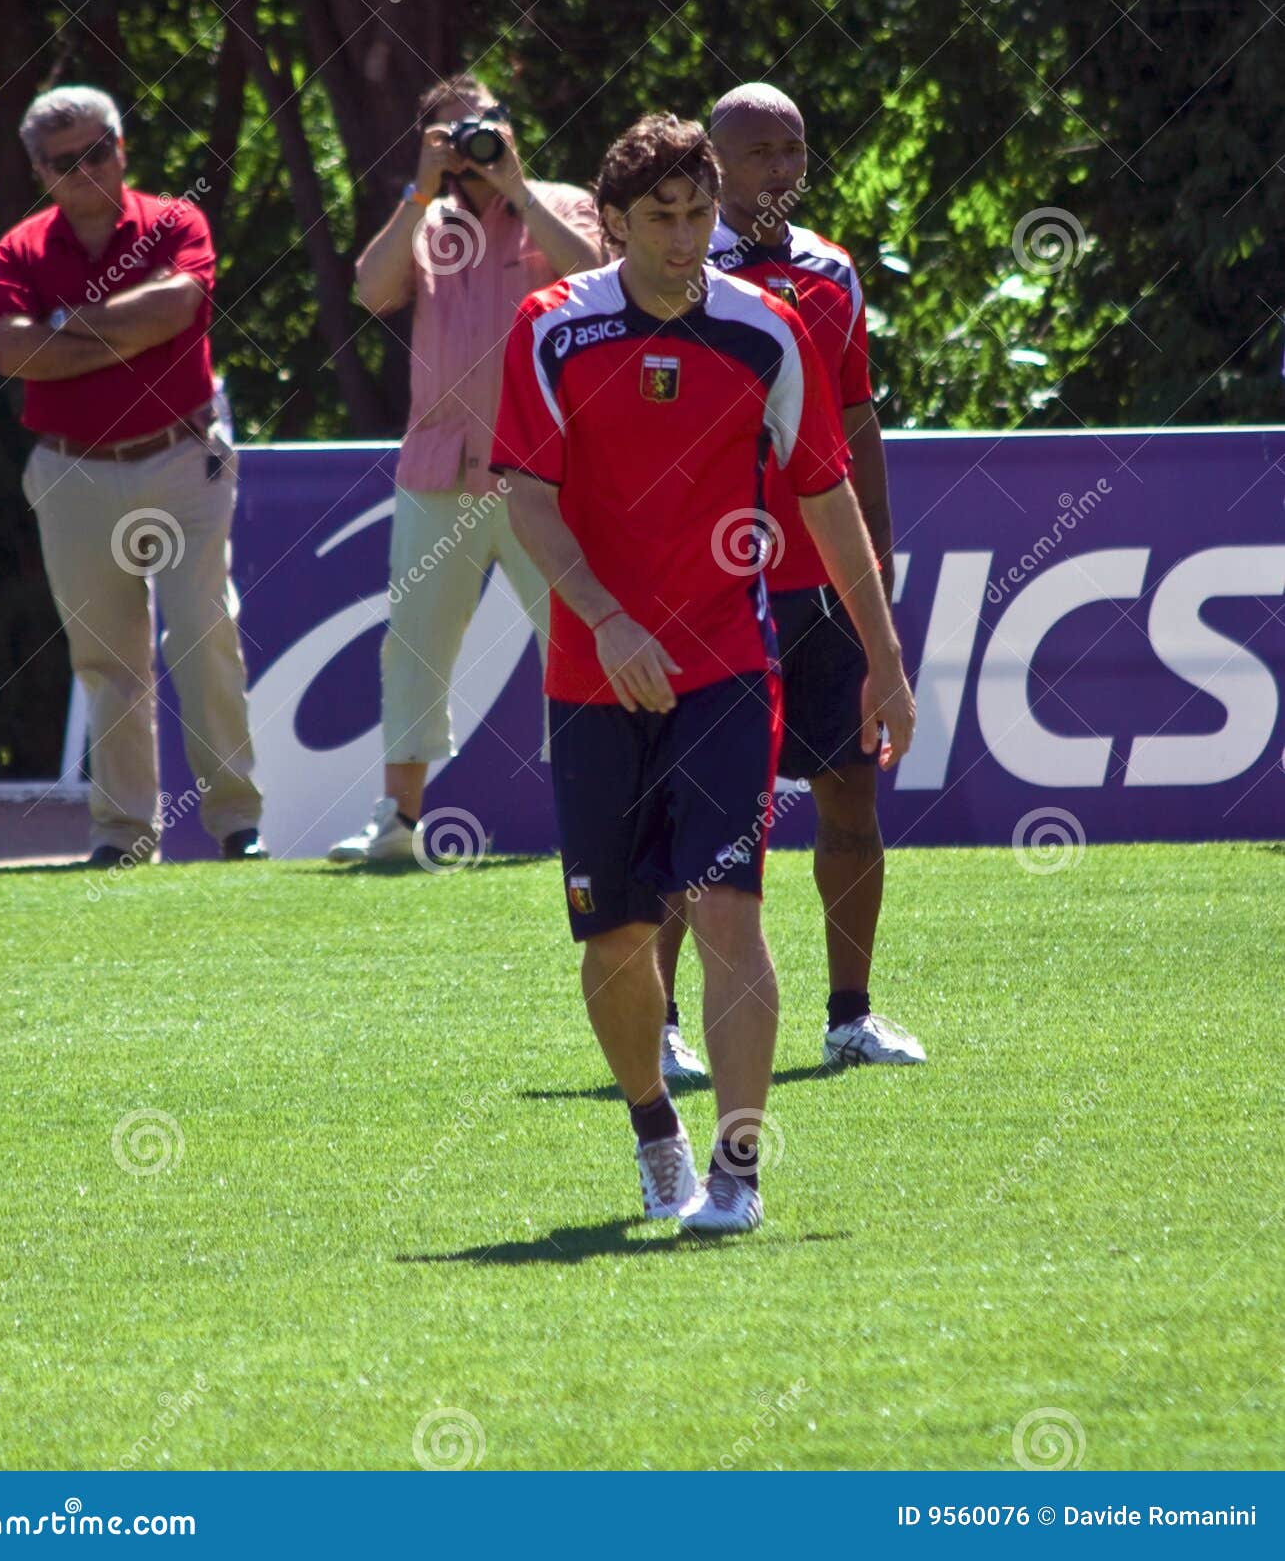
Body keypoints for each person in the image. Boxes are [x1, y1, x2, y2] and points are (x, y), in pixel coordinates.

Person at [491, 114, 915, 1234]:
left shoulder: (769, 331)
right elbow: (523, 495)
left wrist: (884, 659)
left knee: (728, 909)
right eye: (659, 218)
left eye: (696, 212)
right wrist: (606, 620)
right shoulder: (548, 327)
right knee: (615, 931)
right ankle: (652, 1132)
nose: (683, 238)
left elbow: (824, 497)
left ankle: (737, 1172)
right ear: (614, 222)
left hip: (729, 663)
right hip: (592, 675)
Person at [653, 83, 926, 1078]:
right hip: (713, 587)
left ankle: (848, 1014)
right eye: (757, 150)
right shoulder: (670, 276)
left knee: (848, 795)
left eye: (792, 147)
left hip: (823, 584)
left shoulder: (830, 273)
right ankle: (664, 1024)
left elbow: (855, 421)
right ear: (712, 165)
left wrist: (877, 562)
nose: (779, 167)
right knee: (697, 809)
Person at [0, 85, 264, 868]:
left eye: (96, 151)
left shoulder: (176, 222)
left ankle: (236, 824)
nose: (85, 171)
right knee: (105, 659)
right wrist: (124, 332)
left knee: (201, 632)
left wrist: (66, 327)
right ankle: (122, 837)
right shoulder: (20, 250)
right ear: (40, 172)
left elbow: (177, 306)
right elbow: (9, 351)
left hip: (181, 455)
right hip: (73, 467)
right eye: (63, 162)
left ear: (122, 145)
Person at [328, 73, 602, 863]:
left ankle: (598, 812)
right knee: (413, 644)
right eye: (451, 134)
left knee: (574, 636)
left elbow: (595, 279)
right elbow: (371, 291)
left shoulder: (559, 202)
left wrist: (518, 188)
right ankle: (398, 824)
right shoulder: (426, 218)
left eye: (483, 126)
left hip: (544, 473)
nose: (472, 146)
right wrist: (418, 193)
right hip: (439, 469)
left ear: (511, 128)